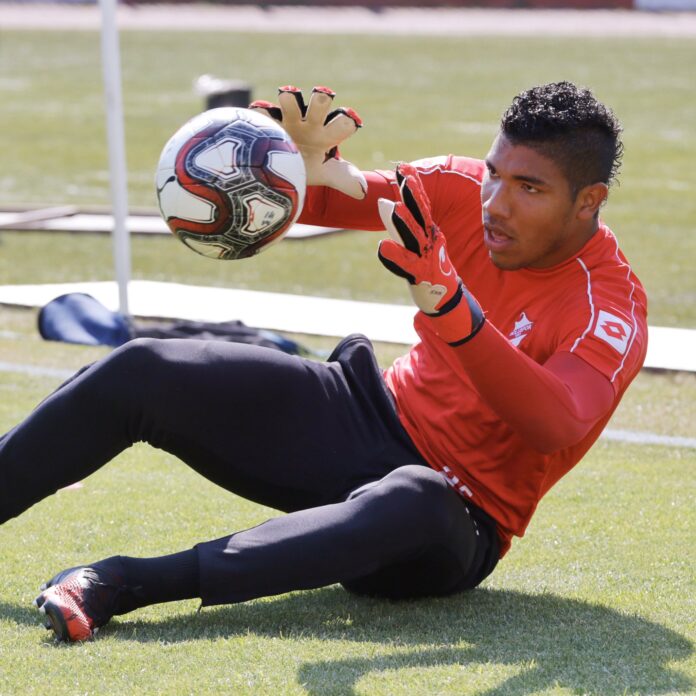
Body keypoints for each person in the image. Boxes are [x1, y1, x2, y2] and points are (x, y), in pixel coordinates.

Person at [1, 82, 647, 643]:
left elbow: (556, 423)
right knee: (144, 368)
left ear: (588, 201)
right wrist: (296, 167)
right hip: (365, 414)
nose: (496, 204)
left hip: (454, 515)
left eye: (529, 188)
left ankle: (121, 583)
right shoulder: (462, 187)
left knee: (417, 498)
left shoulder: (609, 306)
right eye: (495, 174)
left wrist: (455, 313)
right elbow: (331, 199)